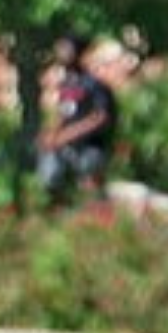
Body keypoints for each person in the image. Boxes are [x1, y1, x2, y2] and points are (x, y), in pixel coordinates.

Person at [30, 43, 115, 209]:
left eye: (67, 49)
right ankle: (56, 214)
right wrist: (50, 135)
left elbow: (99, 117)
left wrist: (65, 136)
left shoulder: (94, 86)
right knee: (49, 177)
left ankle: (101, 218)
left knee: (89, 187)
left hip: (90, 147)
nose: (62, 53)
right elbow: (63, 113)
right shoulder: (67, 84)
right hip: (67, 147)